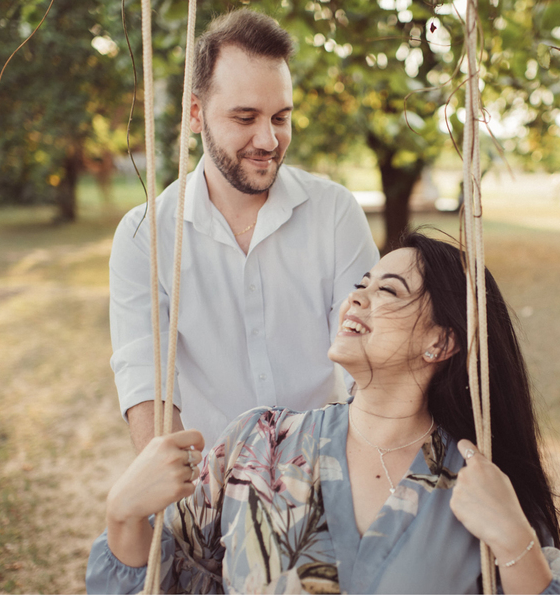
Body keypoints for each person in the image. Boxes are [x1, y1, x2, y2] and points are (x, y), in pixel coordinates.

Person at [88, 232, 560, 594]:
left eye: (388, 291)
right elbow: (170, 580)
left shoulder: (481, 486)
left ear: (440, 342)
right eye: (363, 283)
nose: (358, 297)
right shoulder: (257, 446)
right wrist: (122, 516)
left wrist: (514, 540)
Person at [110, 9, 378, 452]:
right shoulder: (145, 235)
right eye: (245, 117)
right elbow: (146, 384)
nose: (269, 141)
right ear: (196, 113)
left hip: (325, 468)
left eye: (280, 117)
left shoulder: (335, 213)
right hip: (208, 482)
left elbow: (365, 365)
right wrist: (186, 503)